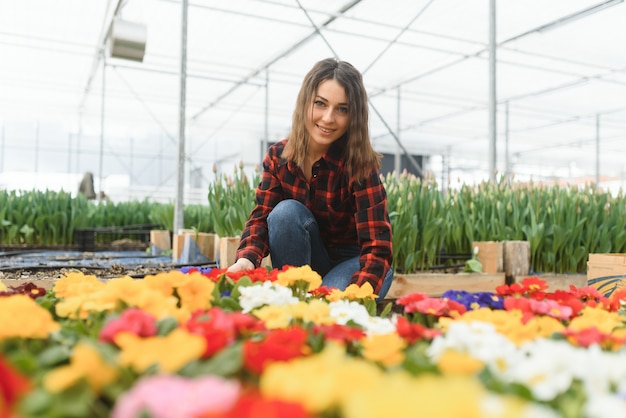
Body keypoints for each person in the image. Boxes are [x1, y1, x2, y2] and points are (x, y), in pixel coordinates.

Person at [227, 58, 393, 299]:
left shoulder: (359, 165)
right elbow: (261, 218)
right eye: (320, 104)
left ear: (353, 116)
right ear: (306, 102)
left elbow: (377, 248)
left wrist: (358, 293)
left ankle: (312, 299)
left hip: (355, 261)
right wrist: (246, 259)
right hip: (309, 259)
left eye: (342, 109)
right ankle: (294, 295)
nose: (328, 118)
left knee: (327, 302)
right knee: (285, 213)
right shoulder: (279, 157)